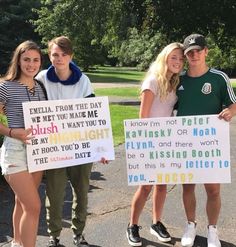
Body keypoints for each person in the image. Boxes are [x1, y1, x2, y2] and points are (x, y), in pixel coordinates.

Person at [36, 36, 107, 247]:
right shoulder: (41, 78)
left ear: (71, 56)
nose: (59, 59)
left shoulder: (83, 80)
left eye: (63, 54)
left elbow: (93, 115)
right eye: (55, 54)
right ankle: (54, 236)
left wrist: (100, 148)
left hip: (81, 146)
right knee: (55, 194)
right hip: (54, 147)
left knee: (81, 192)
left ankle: (79, 233)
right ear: (49, 55)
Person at [177, 34, 236, 247]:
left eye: (198, 50)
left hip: (210, 143)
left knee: (213, 190)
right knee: (188, 187)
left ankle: (212, 229)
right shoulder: (179, 79)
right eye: (189, 52)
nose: (194, 55)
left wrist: (230, 112)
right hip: (185, 143)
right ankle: (190, 225)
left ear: (206, 51)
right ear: (185, 55)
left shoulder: (219, 77)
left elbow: (233, 104)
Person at [126, 42, 184, 246]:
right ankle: (132, 225)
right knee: (145, 187)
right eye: (174, 57)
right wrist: (148, 144)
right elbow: (143, 117)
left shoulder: (175, 83)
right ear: (165, 58)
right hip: (150, 142)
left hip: (167, 141)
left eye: (180, 58)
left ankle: (156, 223)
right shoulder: (152, 81)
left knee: (162, 186)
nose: (178, 61)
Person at [0, 41, 47, 247]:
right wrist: (10, 131)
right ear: (18, 60)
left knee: (23, 201)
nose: (31, 64)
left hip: (37, 151)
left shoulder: (41, 87)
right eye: (26, 59)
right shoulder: (6, 87)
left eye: (35, 60)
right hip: (15, 152)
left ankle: (17, 243)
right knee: (34, 206)